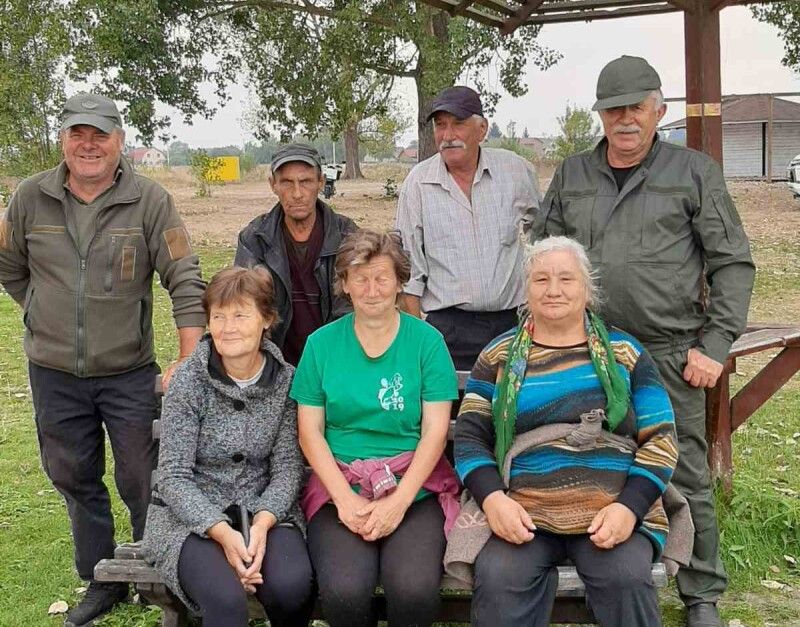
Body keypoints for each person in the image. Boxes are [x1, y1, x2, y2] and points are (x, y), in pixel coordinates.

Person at [533, 56, 755, 627]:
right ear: (601, 115)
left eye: (636, 106)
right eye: (613, 109)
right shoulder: (572, 174)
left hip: (669, 350)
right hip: (587, 351)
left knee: (683, 468)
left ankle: (700, 590)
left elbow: (732, 263)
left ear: (659, 109)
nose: (625, 119)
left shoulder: (694, 172)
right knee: (584, 456)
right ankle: (602, 570)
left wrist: (716, 342)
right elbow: (544, 254)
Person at [0, 92, 205, 626]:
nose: (88, 145)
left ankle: (155, 571)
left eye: (100, 135)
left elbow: (184, 276)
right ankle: (99, 578)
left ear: (119, 141)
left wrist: (187, 356)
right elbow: (9, 264)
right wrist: (43, 310)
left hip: (129, 372)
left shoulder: (151, 200)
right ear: (62, 139)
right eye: (77, 134)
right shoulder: (29, 197)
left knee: (143, 476)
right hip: (53, 373)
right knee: (73, 474)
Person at [451, 236, 678, 626]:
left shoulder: (626, 353)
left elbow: (661, 438)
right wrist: (493, 501)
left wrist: (629, 508)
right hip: (523, 510)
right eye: (541, 280)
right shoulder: (498, 356)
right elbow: (471, 437)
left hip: (609, 507)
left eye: (566, 279)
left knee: (626, 577)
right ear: (526, 289)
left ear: (587, 289)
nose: (553, 290)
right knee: (500, 578)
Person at [291, 229, 460, 627]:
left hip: (413, 488)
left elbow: (435, 432)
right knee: (344, 592)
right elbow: (310, 432)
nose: (371, 289)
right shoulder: (320, 344)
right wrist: (346, 502)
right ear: (345, 284)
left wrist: (398, 501)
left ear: (400, 281)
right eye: (360, 278)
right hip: (340, 486)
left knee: (414, 590)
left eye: (382, 277)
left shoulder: (427, 343)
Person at [142, 266, 314, 627]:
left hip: (263, 509)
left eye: (239, 315)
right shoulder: (189, 379)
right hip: (188, 518)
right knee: (225, 599)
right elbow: (173, 477)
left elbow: (287, 469)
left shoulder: (285, 380)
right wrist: (221, 531)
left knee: (291, 586)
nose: (227, 327)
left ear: (266, 320)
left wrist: (263, 526)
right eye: (217, 316)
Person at [395, 86, 541, 369]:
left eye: (458, 124)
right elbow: (408, 272)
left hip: (513, 324)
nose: (448, 136)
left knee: (513, 410)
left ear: (482, 128)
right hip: (447, 331)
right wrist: (420, 344)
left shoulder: (515, 172)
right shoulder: (418, 183)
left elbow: (547, 233)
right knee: (451, 411)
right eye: (440, 125)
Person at [235, 143, 357, 365]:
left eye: (306, 181)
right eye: (287, 183)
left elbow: (353, 309)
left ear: (321, 182)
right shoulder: (255, 239)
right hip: (274, 366)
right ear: (273, 185)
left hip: (336, 362)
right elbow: (244, 307)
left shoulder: (347, 235)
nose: (297, 194)